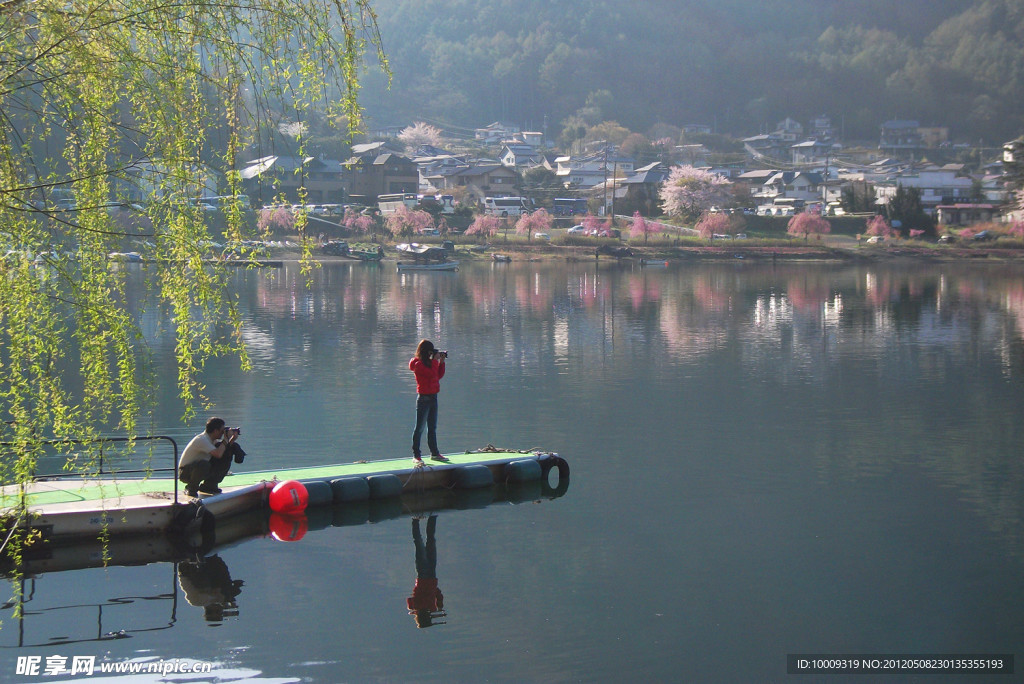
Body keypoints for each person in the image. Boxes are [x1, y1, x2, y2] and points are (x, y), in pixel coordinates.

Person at [178, 417, 245, 497]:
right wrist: (226, 438)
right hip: (185, 472)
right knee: (204, 464)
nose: (223, 433)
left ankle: (209, 486)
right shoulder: (202, 440)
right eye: (222, 431)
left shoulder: (212, 440)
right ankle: (191, 488)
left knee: (226, 454)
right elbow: (218, 454)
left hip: (197, 469)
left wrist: (232, 439)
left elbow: (222, 451)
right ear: (215, 431)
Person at [409, 339, 450, 464]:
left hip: (433, 397)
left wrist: (441, 362)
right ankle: (416, 455)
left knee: (432, 427)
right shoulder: (418, 364)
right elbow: (431, 373)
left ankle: (434, 453)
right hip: (423, 399)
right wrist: (435, 360)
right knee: (419, 428)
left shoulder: (431, 363)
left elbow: (437, 376)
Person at [407, 515, 446, 628]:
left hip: (426, 575)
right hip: (428, 575)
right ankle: (420, 519)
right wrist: (439, 604)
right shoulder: (416, 607)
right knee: (423, 542)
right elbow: (434, 592)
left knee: (426, 541)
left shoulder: (425, 607)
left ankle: (424, 518)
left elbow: (435, 593)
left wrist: (439, 605)